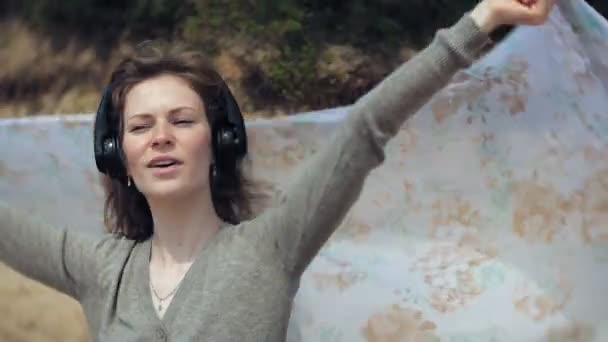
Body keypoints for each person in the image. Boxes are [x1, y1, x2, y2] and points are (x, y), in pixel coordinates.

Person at [0, 0, 556, 340]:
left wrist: (481, 20)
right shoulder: (100, 270)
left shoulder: (270, 248)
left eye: (182, 120)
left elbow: (365, 130)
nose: (161, 136)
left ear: (219, 142)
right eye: (140, 127)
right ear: (116, 154)